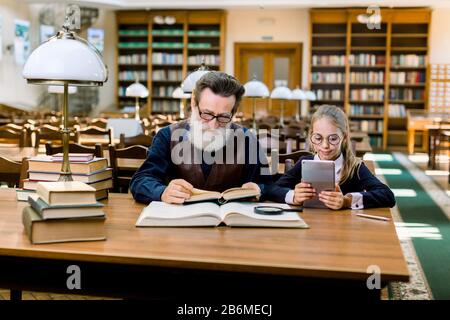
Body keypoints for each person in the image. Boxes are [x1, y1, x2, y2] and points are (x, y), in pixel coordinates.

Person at [130, 71, 271, 204]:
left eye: (223, 117)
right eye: (207, 114)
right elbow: (140, 180)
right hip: (179, 223)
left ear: (233, 113)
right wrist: (162, 192)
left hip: (231, 224)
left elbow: (270, 184)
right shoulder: (167, 136)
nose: (213, 125)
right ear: (193, 103)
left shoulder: (247, 139)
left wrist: (260, 189)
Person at [267, 105, 395, 209]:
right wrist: (294, 196)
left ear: (344, 138)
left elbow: (387, 196)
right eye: (318, 138)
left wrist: (346, 201)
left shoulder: (355, 167)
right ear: (311, 136)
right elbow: (273, 189)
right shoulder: (304, 163)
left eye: (333, 139)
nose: (325, 145)